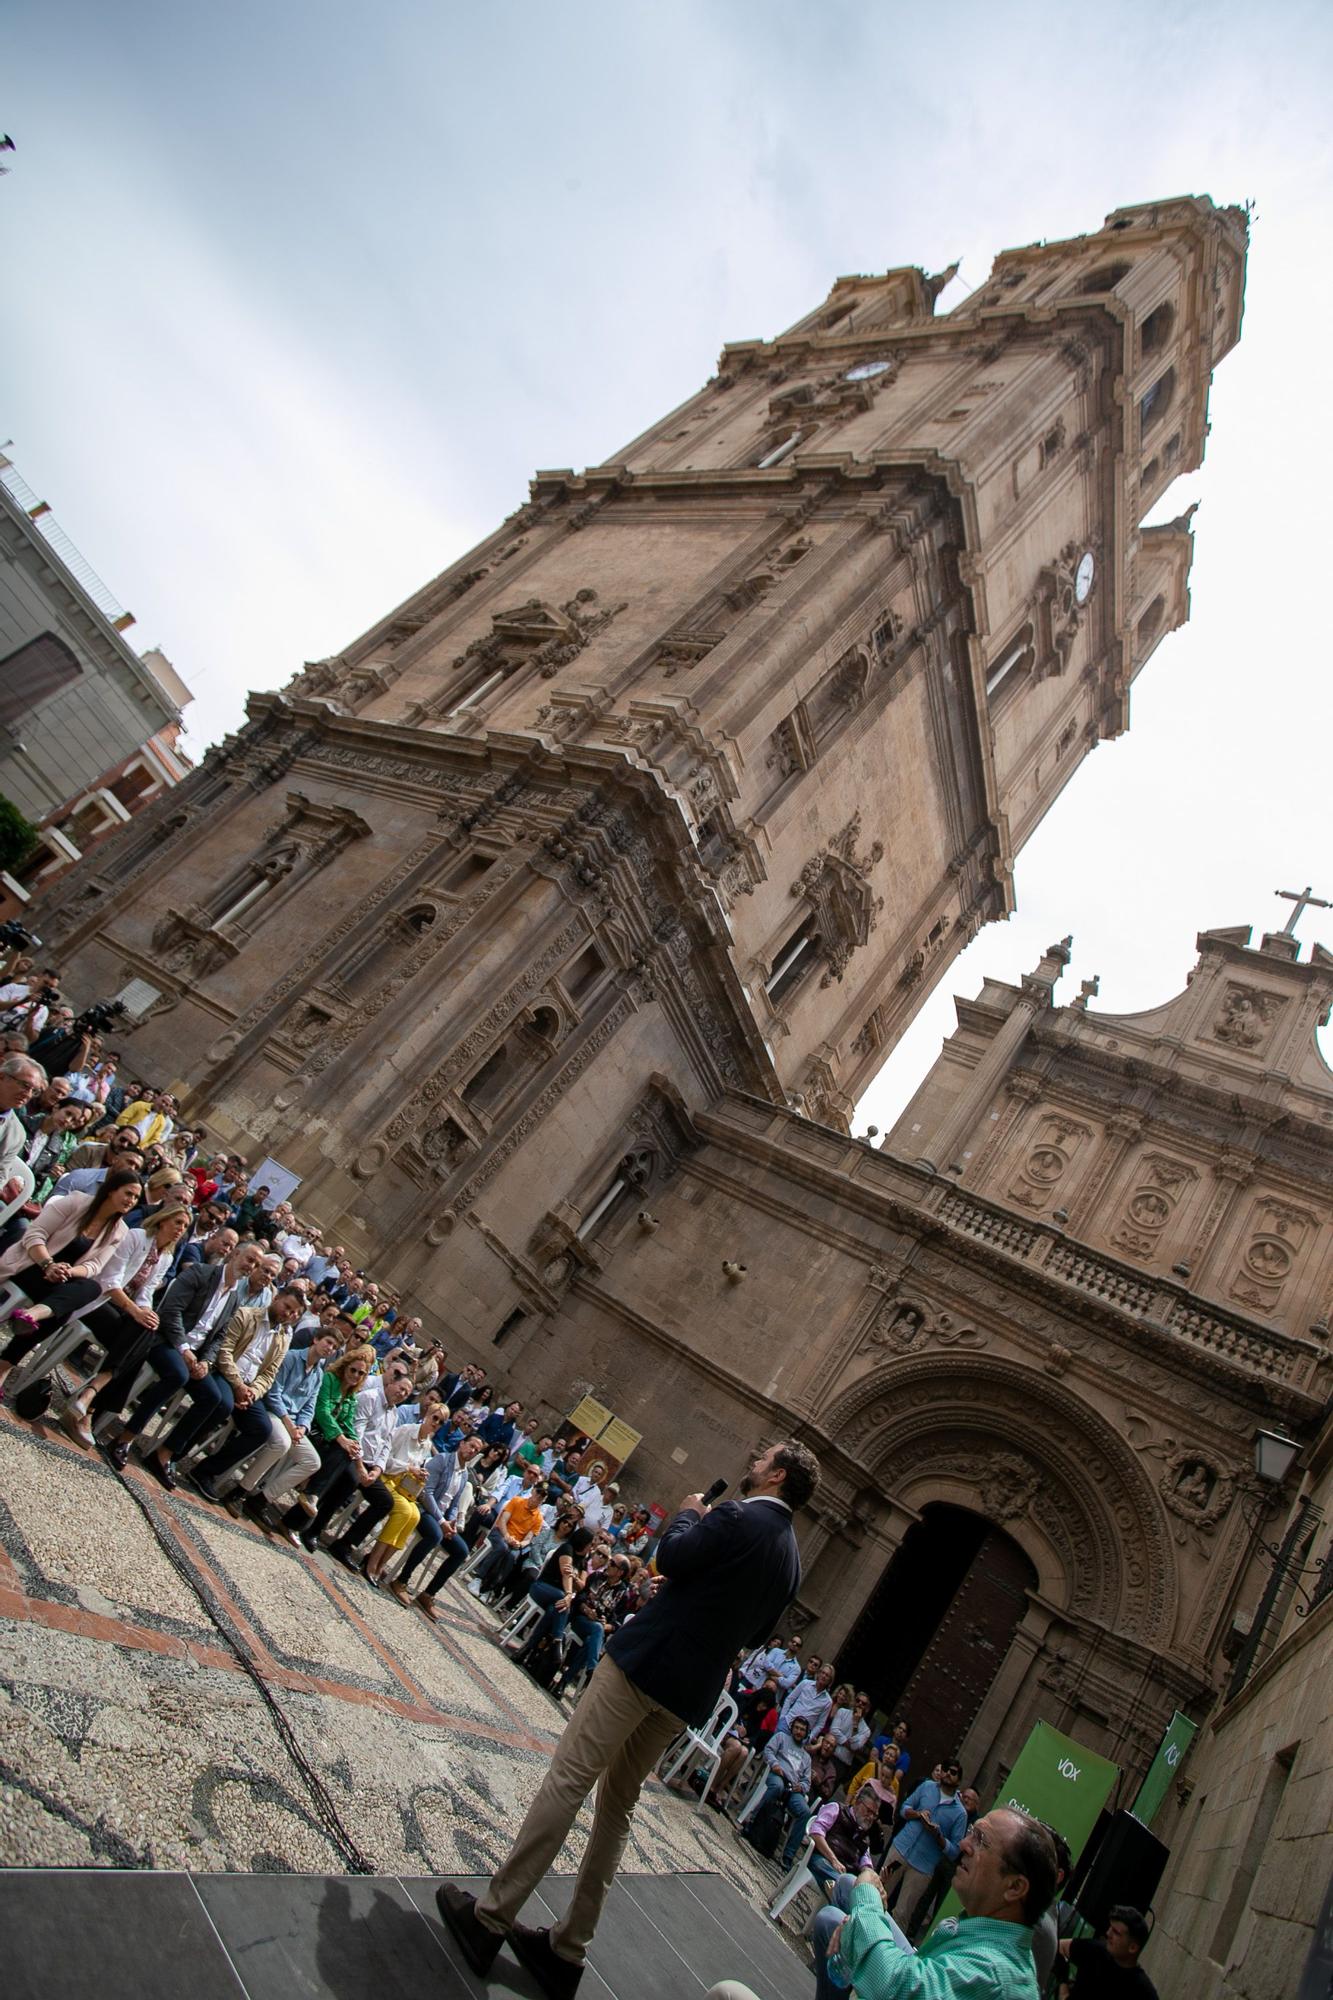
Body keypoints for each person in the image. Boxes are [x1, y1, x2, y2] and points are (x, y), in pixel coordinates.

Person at [437, 1437, 817, 1999]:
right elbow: (755, 1635)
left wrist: (689, 1514)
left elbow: (674, 1556)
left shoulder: (735, 1514)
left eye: (764, 1459)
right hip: (688, 1693)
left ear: (778, 1476)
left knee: (569, 1778)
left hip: (643, 1664)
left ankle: (491, 1918)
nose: (753, 1462)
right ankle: (568, 1951)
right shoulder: (791, 1561)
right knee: (617, 1808)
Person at [709, 1808, 1058, 2000]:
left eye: (981, 1841)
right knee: (835, 1917)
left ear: (1015, 1887)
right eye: (970, 1831)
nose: (964, 1845)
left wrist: (868, 1900)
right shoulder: (988, 1939)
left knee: (727, 1994)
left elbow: (898, 1987)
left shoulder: (994, 1975)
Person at [881, 1757, 970, 1935]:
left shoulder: (960, 1813)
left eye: (952, 1772)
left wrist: (938, 1836)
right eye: (944, 1769)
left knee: (901, 1914)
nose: (947, 1774)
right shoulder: (927, 1786)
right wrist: (917, 1814)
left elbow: (954, 1852)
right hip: (901, 1850)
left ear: (959, 1780)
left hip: (922, 1868)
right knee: (878, 1891)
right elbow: (904, 1808)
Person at [1059, 1906, 1158, 1999]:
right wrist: (1062, 1978)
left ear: (1132, 1948)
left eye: (1116, 1932)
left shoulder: (1143, 1991)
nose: (1108, 1933)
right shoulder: (1095, 1950)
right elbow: (1059, 1946)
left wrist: (1063, 1990)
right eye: (1110, 1928)